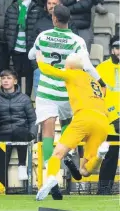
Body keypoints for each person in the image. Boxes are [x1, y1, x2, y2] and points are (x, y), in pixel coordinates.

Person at [28, 4, 106, 199]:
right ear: (69, 19)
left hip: (46, 89)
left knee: (47, 129)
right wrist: (100, 81)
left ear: (54, 18)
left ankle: (49, 174)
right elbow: (86, 65)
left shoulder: (43, 36)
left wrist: (39, 58)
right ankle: (69, 155)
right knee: (68, 125)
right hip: (68, 93)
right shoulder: (77, 40)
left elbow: (32, 55)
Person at [35, 51, 110, 201]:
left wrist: (39, 59)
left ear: (69, 66)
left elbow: (48, 71)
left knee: (57, 154)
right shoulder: (93, 81)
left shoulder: (73, 74)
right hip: (102, 121)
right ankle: (100, 156)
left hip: (84, 117)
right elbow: (104, 90)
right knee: (85, 171)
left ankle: (51, 178)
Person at [95, 36, 120, 195]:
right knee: (110, 158)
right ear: (112, 49)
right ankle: (104, 190)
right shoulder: (101, 68)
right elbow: (98, 96)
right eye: (117, 47)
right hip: (111, 122)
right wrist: (114, 118)